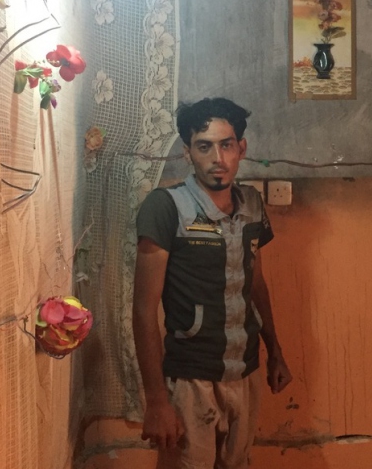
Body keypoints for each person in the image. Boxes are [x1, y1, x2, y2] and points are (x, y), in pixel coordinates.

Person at [132, 97, 292, 469]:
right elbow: (143, 310)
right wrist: (157, 401)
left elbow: (256, 285)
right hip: (191, 381)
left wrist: (275, 352)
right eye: (204, 146)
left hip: (246, 373)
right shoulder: (165, 207)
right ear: (188, 152)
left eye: (227, 144)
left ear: (241, 148)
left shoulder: (251, 203)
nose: (217, 158)